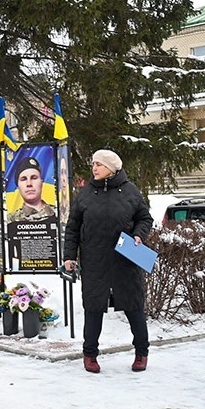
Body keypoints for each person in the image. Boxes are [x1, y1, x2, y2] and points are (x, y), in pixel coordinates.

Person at [62, 149, 153, 374]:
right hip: (94, 260)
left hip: (126, 260)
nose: (94, 168)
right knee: (93, 307)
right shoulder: (85, 193)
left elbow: (144, 217)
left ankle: (142, 353)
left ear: (112, 169)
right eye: (93, 164)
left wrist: (139, 234)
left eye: (99, 164)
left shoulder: (130, 191)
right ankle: (89, 354)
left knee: (134, 306)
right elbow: (73, 227)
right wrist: (69, 256)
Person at [9, 156, 56, 222]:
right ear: (18, 185)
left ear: (41, 183)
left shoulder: (59, 215)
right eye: (24, 179)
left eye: (34, 178)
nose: (29, 184)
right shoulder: (10, 221)